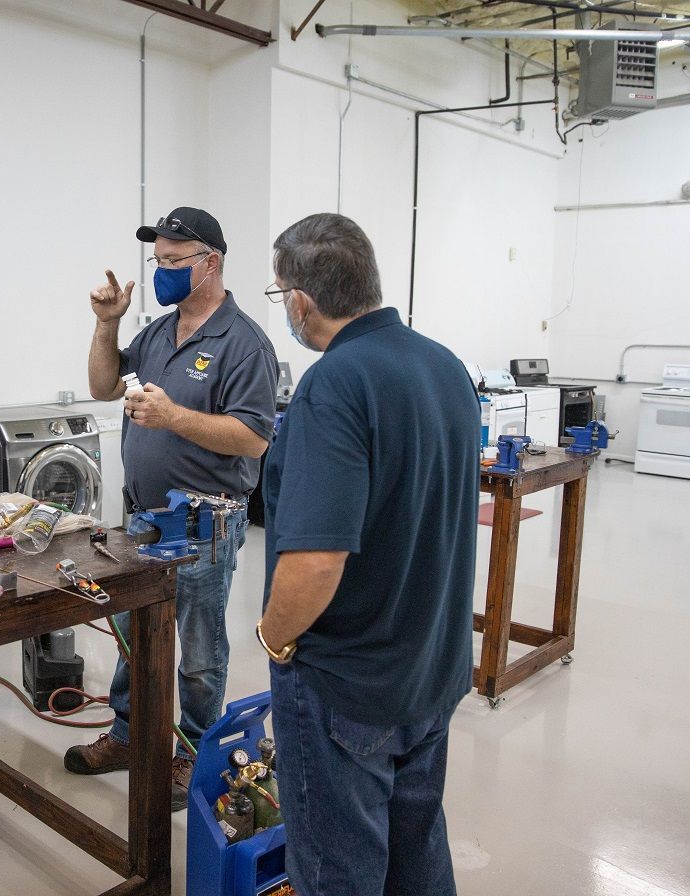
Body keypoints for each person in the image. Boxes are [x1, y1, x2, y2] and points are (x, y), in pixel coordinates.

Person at [257, 213, 479, 895]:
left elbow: (317, 559)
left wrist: (274, 634)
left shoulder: (335, 383)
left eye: (278, 294)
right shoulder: (444, 366)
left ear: (299, 301)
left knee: (336, 870)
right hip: (428, 666)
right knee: (416, 852)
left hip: (347, 684)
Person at [68, 206, 278, 811]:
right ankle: (132, 736)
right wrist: (106, 323)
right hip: (143, 516)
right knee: (136, 634)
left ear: (210, 263)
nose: (160, 272)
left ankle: (194, 752)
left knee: (200, 650)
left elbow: (253, 438)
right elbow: (104, 386)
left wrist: (173, 418)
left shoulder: (244, 344)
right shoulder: (160, 334)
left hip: (206, 521)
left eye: (172, 262)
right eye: (156, 261)